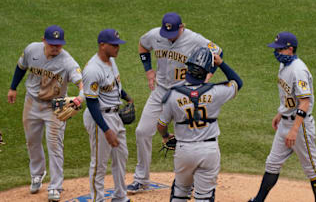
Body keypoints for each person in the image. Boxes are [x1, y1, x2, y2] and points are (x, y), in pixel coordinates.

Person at [127, 12, 223, 193]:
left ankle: (194, 181)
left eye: (173, 34)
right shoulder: (155, 35)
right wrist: (148, 71)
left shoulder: (195, 39)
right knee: (142, 132)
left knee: (190, 139)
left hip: (184, 95)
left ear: (181, 27)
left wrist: (207, 76)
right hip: (160, 91)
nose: (169, 38)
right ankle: (141, 180)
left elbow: (218, 52)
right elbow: (142, 45)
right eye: (166, 34)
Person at [7, 25, 84, 202]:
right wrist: (13, 88)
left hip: (54, 108)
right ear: (43, 40)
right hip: (31, 102)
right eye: (52, 44)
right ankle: (37, 174)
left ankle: (55, 186)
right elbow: (21, 67)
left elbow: (82, 84)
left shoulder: (67, 62)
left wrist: (80, 98)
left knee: (55, 146)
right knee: (32, 141)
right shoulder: (31, 50)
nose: (56, 47)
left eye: (59, 44)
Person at [157, 47, 242, 202]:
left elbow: (161, 124)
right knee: (204, 197)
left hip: (184, 150)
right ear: (207, 71)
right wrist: (221, 63)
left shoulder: (173, 95)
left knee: (180, 192)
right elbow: (238, 83)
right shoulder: (217, 91)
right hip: (209, 151)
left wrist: (165, 136)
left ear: (187, 69)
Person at [248, 32, 316, 202]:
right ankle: (258, 200)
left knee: (312, 169)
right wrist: (281, 113)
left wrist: (294, 130)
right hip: (285, 122)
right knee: (272, 163)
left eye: (279, 49)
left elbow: (304, 102)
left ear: (290, 49)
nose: (276, 52)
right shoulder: (284, 65)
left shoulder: (299, 70)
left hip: (300, 125)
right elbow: (290, 97)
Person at [82, 29, 133, 202]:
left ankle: (120, 196)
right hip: (100, 118)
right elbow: (91, 103)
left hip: (115, 115)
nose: (117, 48)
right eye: (114, 45)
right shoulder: (92, 70)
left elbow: (114, 85)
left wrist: (126, 97)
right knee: (99, 164)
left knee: (121, 156)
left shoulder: (111, 61)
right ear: (102, 45)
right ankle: (98, 199)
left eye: (118, 45)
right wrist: (106, 130)